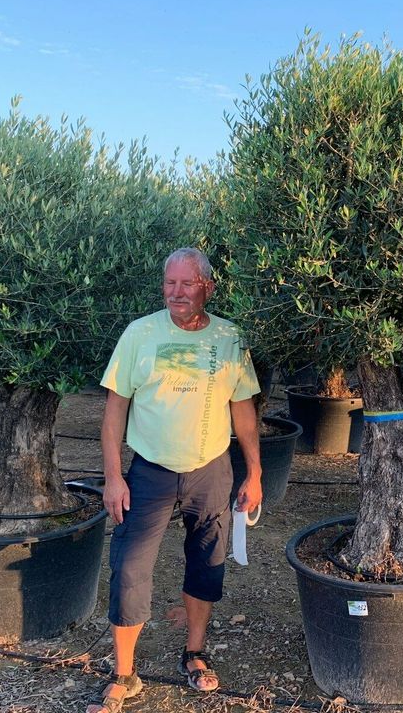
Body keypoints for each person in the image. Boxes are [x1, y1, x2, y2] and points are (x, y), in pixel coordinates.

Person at [86, 247, 262, 713]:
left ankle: (195, 652)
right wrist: (112, 478)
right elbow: (113, 415)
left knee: (207, 562)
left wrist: (256, 471)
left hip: (211, 470)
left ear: (208, 286)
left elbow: (243, 412)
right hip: (149, 473)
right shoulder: (139, 334)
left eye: (187, 284)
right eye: (170, 283)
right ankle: (124, 674)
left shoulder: (230, 338)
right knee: (129, 568)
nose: (177, 293)